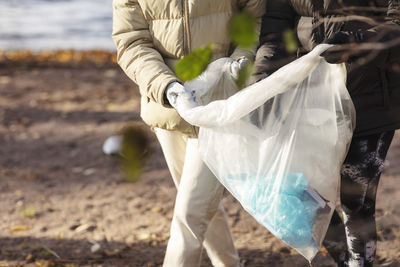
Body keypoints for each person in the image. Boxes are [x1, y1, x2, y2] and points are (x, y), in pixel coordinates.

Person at [111, 0, 265, 266]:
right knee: (202, 204)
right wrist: (167, 87)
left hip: (219, 108)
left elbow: (255, 19)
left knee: (189, 215)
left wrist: (238, 66)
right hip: (168, 107)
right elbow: (131, 42)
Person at [253, 1, 400, 266]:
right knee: (314, 199)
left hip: (372, 99)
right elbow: (275, 35)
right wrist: (261, 84)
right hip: (311, 103)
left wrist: (358, 43)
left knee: (356, 202)